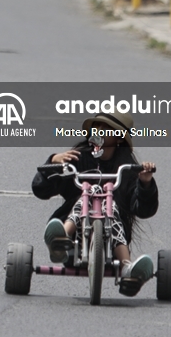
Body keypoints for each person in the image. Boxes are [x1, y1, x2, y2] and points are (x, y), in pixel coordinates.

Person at [32, 112, 158, 297]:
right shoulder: (78, 158)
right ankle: (61, 239)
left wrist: (145, 183)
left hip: (111, 243)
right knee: (91, 192)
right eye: (95, 127)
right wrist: (53, 162)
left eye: (105, 128)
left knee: (105, 199)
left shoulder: (127, 168)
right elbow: (40, 189)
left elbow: (144, 210)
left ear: (118, 137)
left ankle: (126, 267)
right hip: (73, 246)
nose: (97, 131)